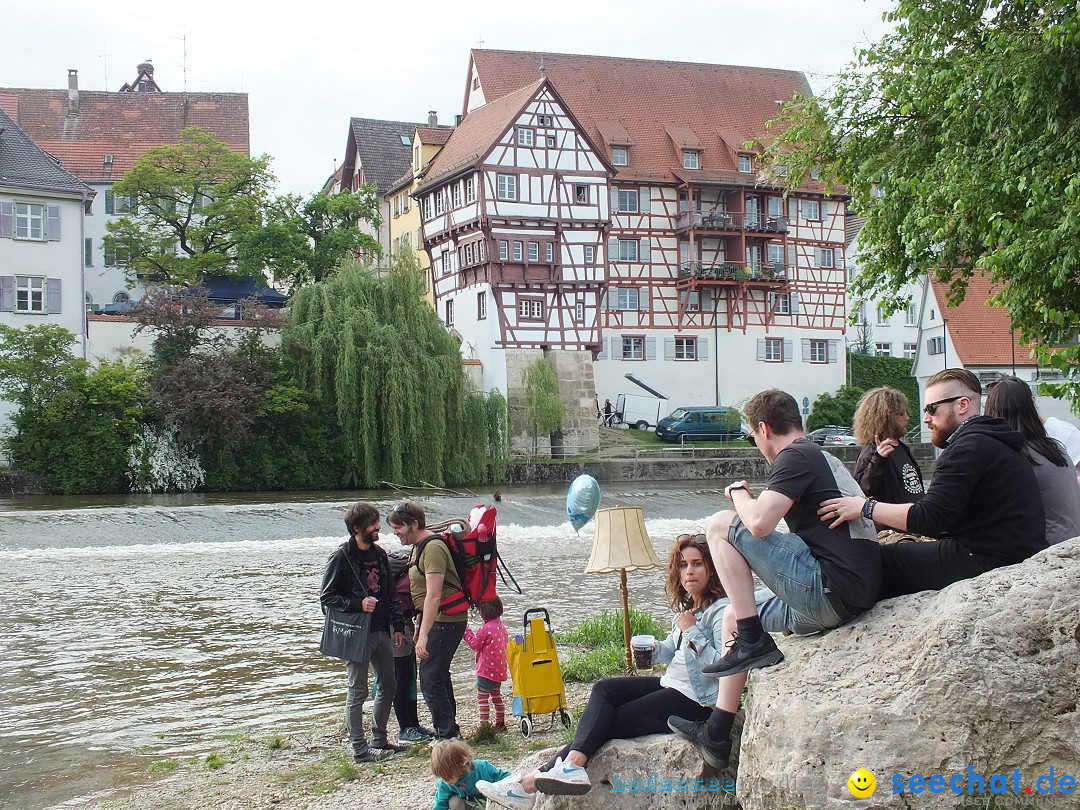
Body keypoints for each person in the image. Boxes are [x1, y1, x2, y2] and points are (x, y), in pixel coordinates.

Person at [666, 388, 882, 768]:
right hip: (846, 598)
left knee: (719, 525)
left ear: (763, 428)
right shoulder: (823, 456)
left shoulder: (795, 455)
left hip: (827, 589)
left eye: (753, 437)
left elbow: (760, 523)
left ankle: (753, 640)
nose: (756, 445)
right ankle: (717, 731)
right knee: (732, 614)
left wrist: (737, 494)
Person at [478, 533, 730, 807]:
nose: (689, 571)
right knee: (603, 689)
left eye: (697, 564)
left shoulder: (723, 611)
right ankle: (555, 773)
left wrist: (691, 630)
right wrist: (655, 648)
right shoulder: (689, 608)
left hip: (696, 701)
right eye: (683, 565)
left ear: (712, 569)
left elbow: (722, 664)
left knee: (605, 722)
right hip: (672, 685)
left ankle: (530, 783)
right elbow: (675, 647)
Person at [820, 369, 1048, 598]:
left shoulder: (967, 449)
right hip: (1014, 553)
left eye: (932, 409)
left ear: (962, 405)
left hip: (986, 558)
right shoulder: (994, 440)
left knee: (868, 562)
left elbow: (929, 519)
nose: (926, 418)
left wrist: (863, 507)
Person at [319, 502, 407, 763]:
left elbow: (390, 592)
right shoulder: (341, 556)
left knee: (389, 683)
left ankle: (379, 740)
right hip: (357, 632)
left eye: (377, 521)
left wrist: (398, 626)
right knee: (357, 690)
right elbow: (327, 596)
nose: (378, 526)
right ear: (356, 528)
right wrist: (358, 604)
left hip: (382, 629)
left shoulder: (379, 554)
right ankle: (360, 750)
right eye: (373, 523)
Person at [388, 500, 467, 740]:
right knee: (438, 674)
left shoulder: (432, 548)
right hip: (439, 618)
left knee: (431, 678)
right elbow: (425, 593)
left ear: (413, 524)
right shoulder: (419, 546)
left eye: (398, 527)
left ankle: (447, 736)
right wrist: (421, 620)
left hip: (447, 619)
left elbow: (434, 593)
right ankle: (450, 731)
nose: (395, 533)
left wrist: (423, 635)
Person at [984, 377, 1080, 544]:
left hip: (1046, 547)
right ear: (1031, 406)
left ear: (993, 412)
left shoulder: (1013, 455)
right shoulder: (1054, 447)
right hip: (1070, 538)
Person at [374, 548, 435, 744]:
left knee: (409, 676)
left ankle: (413, 724)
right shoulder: (417, 572)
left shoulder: (414, 570)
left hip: (402, 625)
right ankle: (405, 729)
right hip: (395, 627)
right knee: (401, 678)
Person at [852, 387, 925, 505]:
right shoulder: (871, 452)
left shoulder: (902, 448)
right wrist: (877, 460)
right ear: (885, 418)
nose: (907, 418)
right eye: (900, 414)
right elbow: (862, 491)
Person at [463, 597, 509, 732]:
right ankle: (500, 723)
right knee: (496, 697)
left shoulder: (486, 629)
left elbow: (474, 644)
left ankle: (484, 727)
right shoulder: (501, 627)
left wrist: (466, 632)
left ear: (484, 611)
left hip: (486, 671)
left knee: (482, 698)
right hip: (499, 671)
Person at [431, 739, 515, 810]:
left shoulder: (482, 768)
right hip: (470, 804)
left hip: (492, 802)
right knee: (454, 802)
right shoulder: (444, 784)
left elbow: (505, 777)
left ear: (461, 766)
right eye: (442, 778)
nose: (446, 782)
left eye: (449, 778)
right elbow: (440, 803)